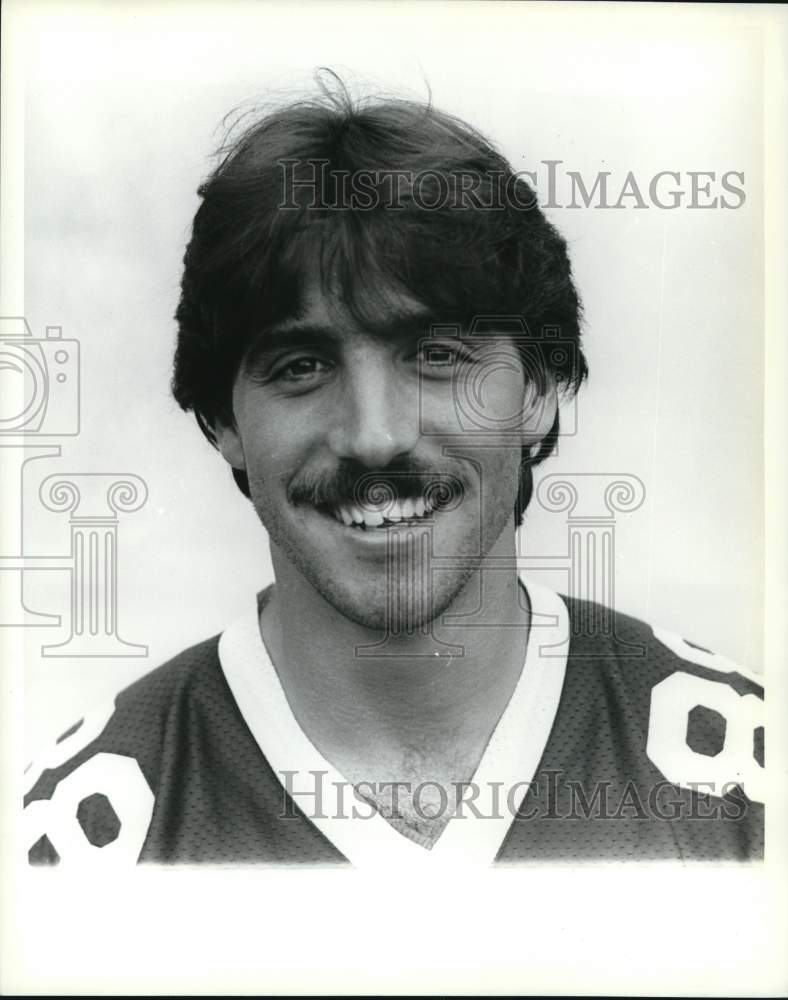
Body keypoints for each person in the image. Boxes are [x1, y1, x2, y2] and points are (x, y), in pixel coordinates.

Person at [24, 75, 764, 867]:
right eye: (301, 366)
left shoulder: (750, 773)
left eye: (437, 355)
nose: (374, 438)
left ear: (541, 392)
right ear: (223, 423)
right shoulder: (67, 841)